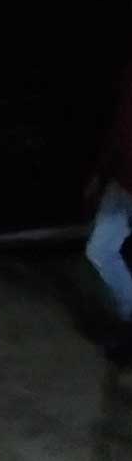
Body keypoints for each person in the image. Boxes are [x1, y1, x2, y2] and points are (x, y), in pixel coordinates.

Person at [84, 59, 132, 363]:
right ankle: (129, 316)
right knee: (100, 250)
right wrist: (100, 174)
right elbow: (119, 129)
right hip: (122, 182)